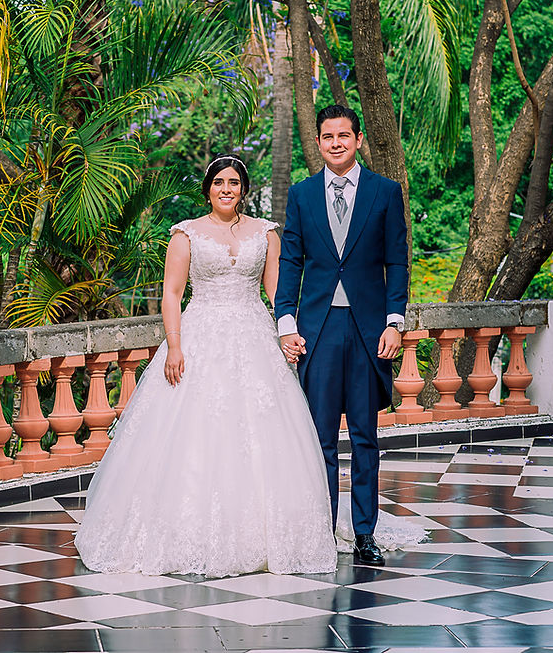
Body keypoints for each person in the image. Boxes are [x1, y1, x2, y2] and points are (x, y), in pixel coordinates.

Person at [74, 153, 423, 578]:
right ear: (208, 189)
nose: (227, 189)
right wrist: (175, 346)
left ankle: (299, 530)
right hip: (200, 338)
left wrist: (287, 331)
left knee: (274, 437)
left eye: (234, 182)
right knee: (199, 438)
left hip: (256, 337)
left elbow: (280, 289)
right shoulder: (186, 235)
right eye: (219, 182)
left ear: (243, 189)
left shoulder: (266, 233)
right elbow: (171, 294)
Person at [275, 105, 409, 566]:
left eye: (344, 135)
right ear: (318, 142)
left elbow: (398, 262)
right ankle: (323, 532)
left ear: (358, 139)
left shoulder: (385, 193)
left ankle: (365, 534)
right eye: (327, 136)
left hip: (369, 330)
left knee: (366, 438)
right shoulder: (302, 195)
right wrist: (286, 324)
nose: (336, 143)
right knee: (321, 439)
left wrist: (395, 323)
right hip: (318, 330)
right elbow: (291, 262)